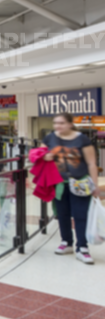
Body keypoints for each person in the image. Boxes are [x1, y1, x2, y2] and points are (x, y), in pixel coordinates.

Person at [42, 113, 100, 263]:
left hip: (80, 182)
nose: (57, 126)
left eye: (61, 123)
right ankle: (66, 242)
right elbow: (38, 155)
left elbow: (91, 163)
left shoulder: (82, 139)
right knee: (62, 214)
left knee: (81, 215)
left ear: (69, 124)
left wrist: (95, 184)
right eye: (55, 123)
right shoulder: (50, 138)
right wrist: (45, 156)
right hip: (59, 183)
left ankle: (82, 247)